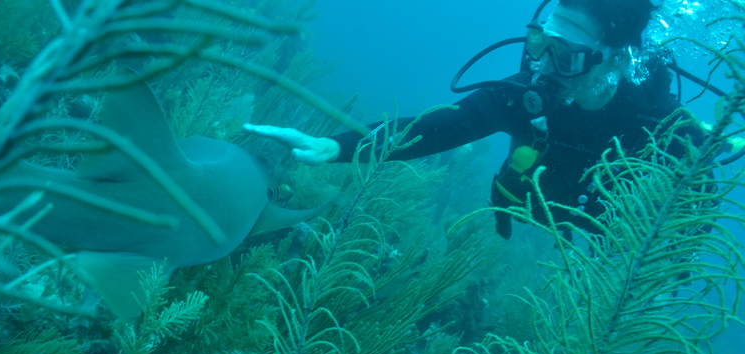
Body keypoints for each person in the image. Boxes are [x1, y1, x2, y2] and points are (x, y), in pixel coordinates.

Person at [243, 0, 704, 239]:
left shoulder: (663, 126)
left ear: (616, 60)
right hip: (531, 203)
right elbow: (436, 127)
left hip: (604, 228)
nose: (543, 66)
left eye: (566, 56)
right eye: (540, 43)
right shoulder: (525, 95)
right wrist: (337, 147)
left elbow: (694, 209)